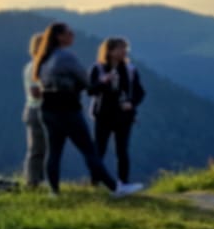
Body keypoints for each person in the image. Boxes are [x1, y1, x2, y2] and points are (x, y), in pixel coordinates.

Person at [32, 23, 142, 197]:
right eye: (69, 33)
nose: (73, 35)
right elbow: (86, 82)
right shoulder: (66, 57)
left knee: (54, 151)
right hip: (68, 109)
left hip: (48, 108)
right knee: (89, 150)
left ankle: (54, 191)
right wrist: (103, 81)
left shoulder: (45, 58)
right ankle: (115, 188)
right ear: (60, 36)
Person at [89, 37, 146, 185]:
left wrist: (131, 103)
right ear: (110, 51)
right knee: (99, 149)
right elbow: (90, 90)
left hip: (124, 116)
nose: (124, 51)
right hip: (103, 115)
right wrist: (103, 82)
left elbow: (140, 92)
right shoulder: (98, 69)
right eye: (121, 48)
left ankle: (123, 182)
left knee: (122, 151)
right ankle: (95, 182)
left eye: (125, 48)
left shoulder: (130, 70)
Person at [22, 32, 46, 188]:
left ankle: (38, 179)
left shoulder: (35, 66)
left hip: (35, 109)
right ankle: (32, 181)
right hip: (36, 109)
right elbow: (35, 92)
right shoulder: (34, 68)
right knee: (37, 149)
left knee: (42, 148)